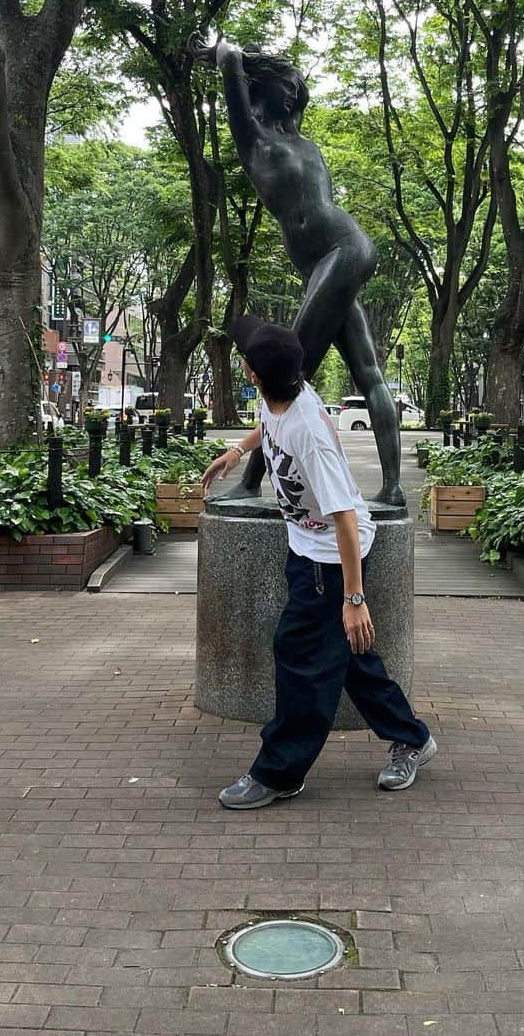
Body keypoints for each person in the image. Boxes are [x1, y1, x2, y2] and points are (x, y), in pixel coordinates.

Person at [201, 314, 436, 810]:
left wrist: (354, 599)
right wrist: (236, 452)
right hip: (307, 551)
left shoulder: (310, 431)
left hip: (330, 563)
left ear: (254, 375)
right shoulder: (280, 396)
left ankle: (279, 771)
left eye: (244, 359)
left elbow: (347, 520)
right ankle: (411, 737)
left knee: (302, 662)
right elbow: (265, 424)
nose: (242, 361)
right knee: (349, 659)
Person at [191, 35, 403, 505]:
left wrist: (242, 61)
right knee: (367, 371)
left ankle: (248, 483)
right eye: (284, 89)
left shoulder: (282, 141)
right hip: (336, 257)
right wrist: (233, 58)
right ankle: (393, 489)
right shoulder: (270, 143)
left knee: (285, 372)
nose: (291, 95)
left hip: (342, 251)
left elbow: (255, 99)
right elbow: (241, 80)